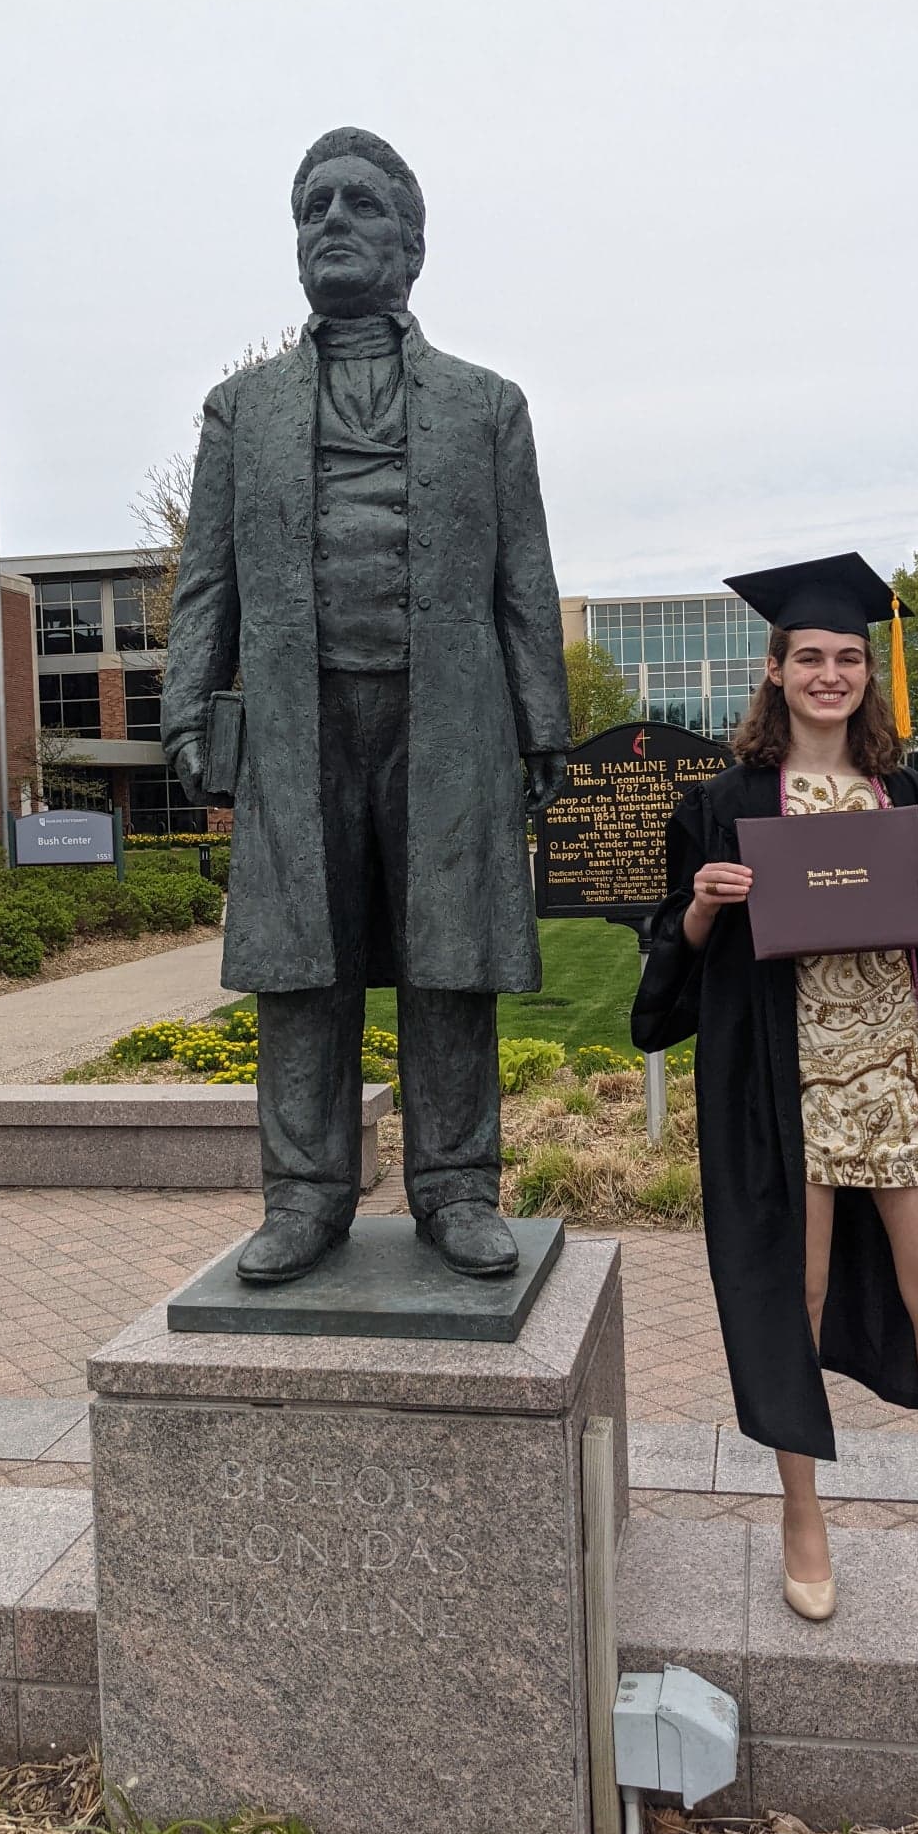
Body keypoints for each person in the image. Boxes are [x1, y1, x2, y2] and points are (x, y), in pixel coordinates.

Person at [161, 128, 569, 1284]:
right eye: (312, 208)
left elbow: (522, 576)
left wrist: (543, 720)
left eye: (360, 205)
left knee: (450, 958)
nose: (332, 221)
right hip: (301, 725)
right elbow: (208, 577)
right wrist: (188, 709)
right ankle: (304, 1194)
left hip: (449, 719)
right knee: (303, 965)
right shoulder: (241, 411)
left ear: (411, 242)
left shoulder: (487, 407)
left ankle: (456, 1186)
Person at [631, 552, 918, 1626]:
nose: (831, 674)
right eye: (810, 657)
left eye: (849, 659)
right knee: (799, 1297)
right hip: (785, 1093)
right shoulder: (722, 806)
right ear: (773, 671)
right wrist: (701, 908)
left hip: (896, 1084)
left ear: (869, 676)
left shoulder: (915, 802)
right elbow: (666, 972)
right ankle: (803, 1518)